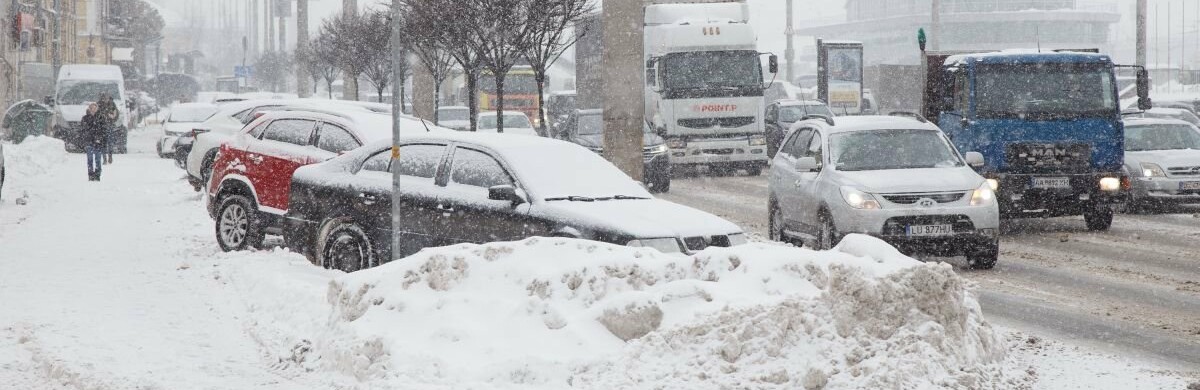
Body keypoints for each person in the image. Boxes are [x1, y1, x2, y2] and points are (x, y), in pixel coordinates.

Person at [80, 103, 107, 181]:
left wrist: (101, 139)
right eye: (92, 108)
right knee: (90, 159)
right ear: (89, 109)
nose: (93, 109)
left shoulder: (101, 118)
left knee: (98, 160)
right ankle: (90, 175)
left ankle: (97, 175)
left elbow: (104, 130)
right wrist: (85, 139)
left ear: (97, 109)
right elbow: (83, 130)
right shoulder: (85, 118)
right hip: (89, 142)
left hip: (98, 142)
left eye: (95, 108)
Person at [97, 93, 119, 164]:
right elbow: (96, 114)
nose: (106, 99)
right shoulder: (99, 104)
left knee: (110, 142)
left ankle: (110, 156)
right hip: (102, 126)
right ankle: (104, 158)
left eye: (107, 98)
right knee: (103, 142)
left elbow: (116, 114)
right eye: (104, 98)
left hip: (110, 125)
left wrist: (112, 117)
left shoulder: (112, 104)